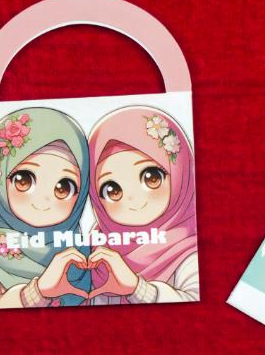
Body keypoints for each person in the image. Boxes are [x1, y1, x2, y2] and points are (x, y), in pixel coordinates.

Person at [0, 107, 91, 308]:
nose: (43, 201)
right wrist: (37, 292)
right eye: (24, 180)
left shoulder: (83, 253)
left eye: (64, 187)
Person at [85, 107, 198, 304]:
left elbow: (196, 305)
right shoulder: (95, 249)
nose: (134, 200)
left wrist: (137, 288)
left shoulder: (188, 251)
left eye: (151, 177)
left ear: (179, 173)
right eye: (112, 190)